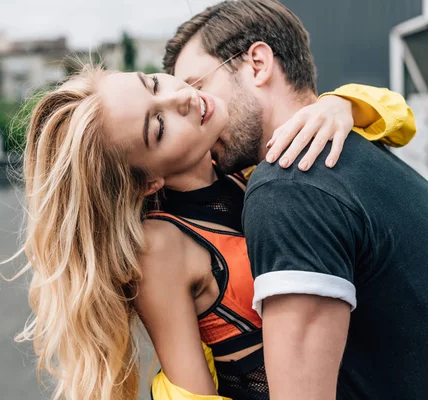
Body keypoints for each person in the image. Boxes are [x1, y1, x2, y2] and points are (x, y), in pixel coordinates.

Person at [11, 59, 414, 400]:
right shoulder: (160, 247)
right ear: (146, 181)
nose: (181, 97)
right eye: (158, 126)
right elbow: (194, 395)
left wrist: (342, 106)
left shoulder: (248, 165)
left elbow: (399, 120)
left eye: (153, 83)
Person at [159, 1, 428, 399]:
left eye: (198, 87)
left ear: (257, 64)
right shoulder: (364, 150)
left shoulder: (288, 188)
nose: (196, 110)